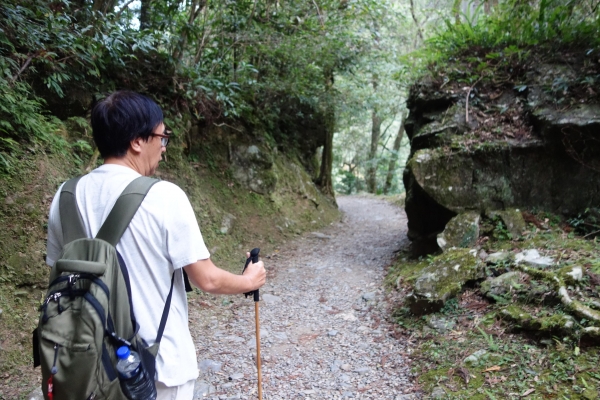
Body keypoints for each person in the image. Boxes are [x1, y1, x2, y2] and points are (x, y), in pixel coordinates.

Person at [45, 91, 266, 400]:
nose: (164, 148)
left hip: (83, 369)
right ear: (137, 141)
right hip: (156, 369)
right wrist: (249, 280)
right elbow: (208, 279)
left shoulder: (64, 197)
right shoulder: (164, 196)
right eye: (162, 138)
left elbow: (58, 281)